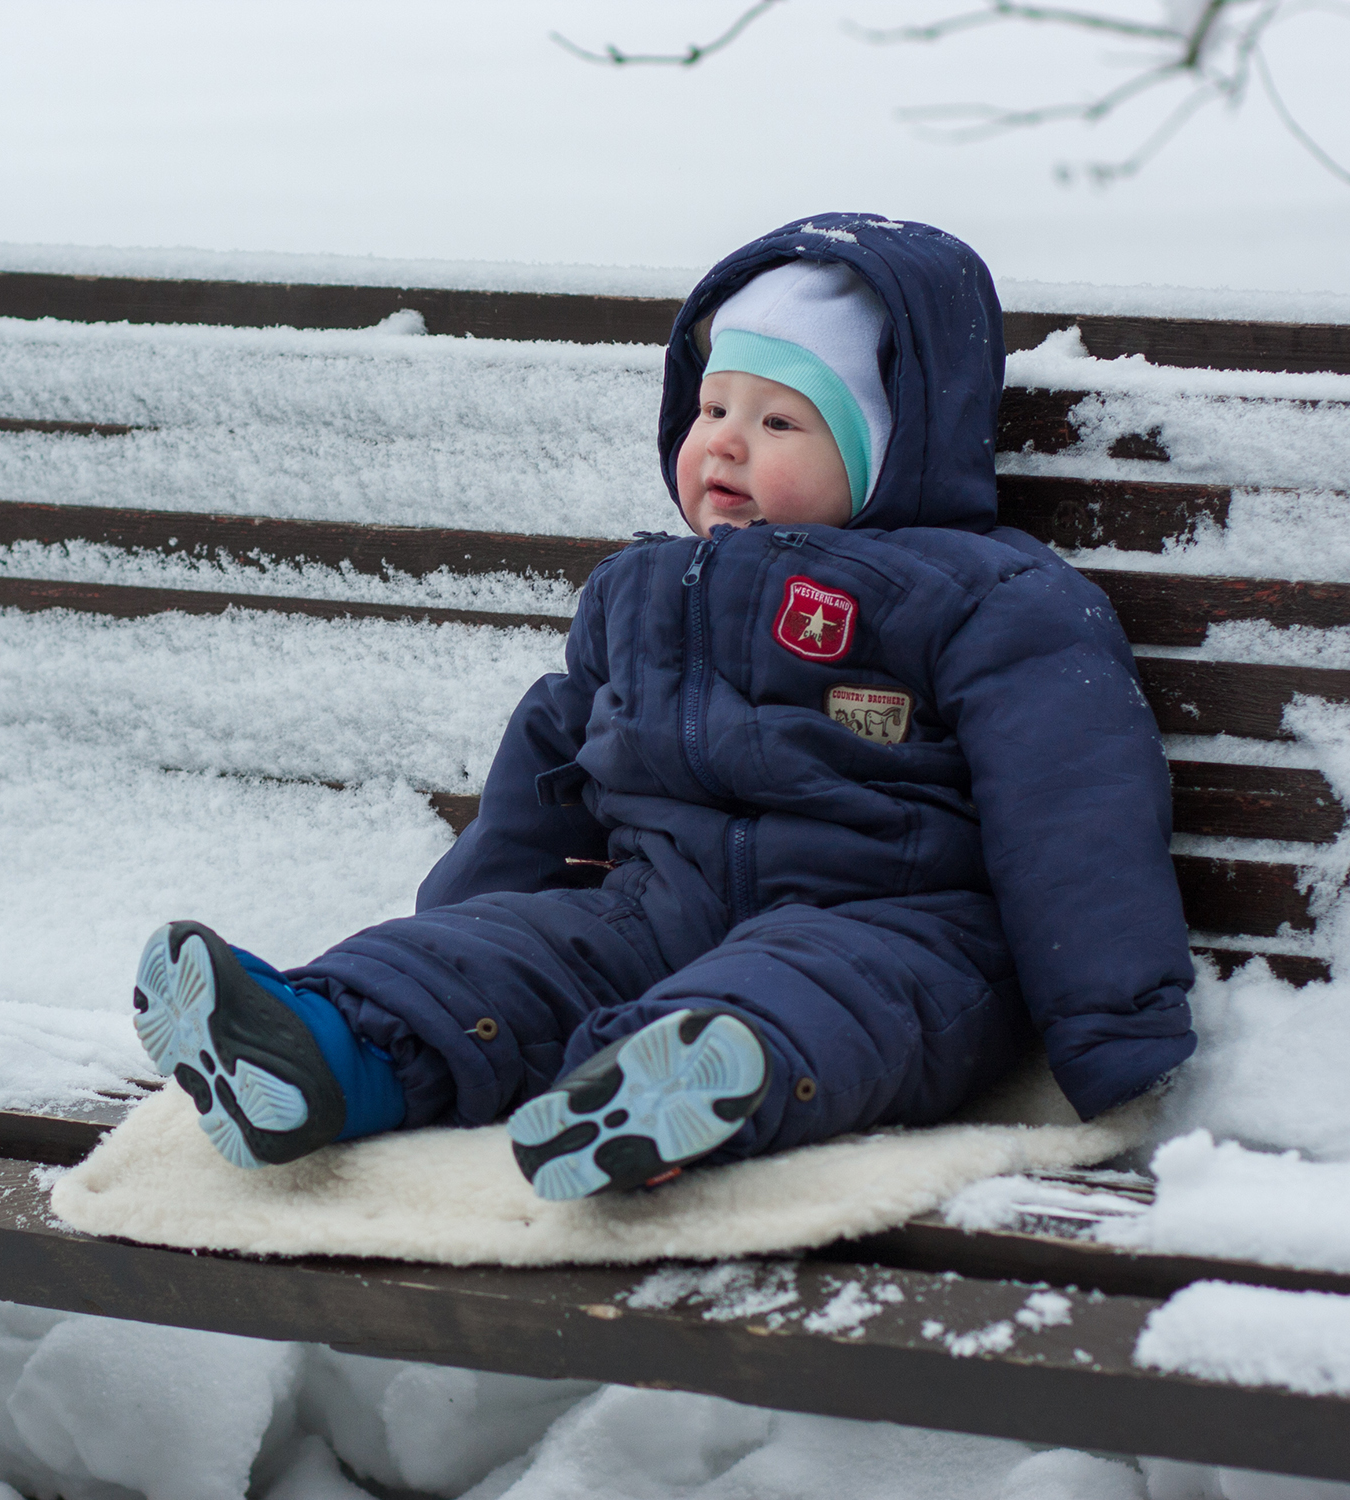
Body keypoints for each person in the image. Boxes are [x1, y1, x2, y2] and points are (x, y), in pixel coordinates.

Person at [131, 214, 1197, 1201]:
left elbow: (1077, 812)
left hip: (900, 927)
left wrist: (1115, 1033)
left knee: (813, 995)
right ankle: (322, 1049)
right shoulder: (642, 591)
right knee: (513, 960)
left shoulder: (983, 601)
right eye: (713, 408)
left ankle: (673, 1098)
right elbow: (550, 776)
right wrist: (462, 933)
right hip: (659, 908)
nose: (725, 443)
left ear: (895, 444)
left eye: (781, 419)